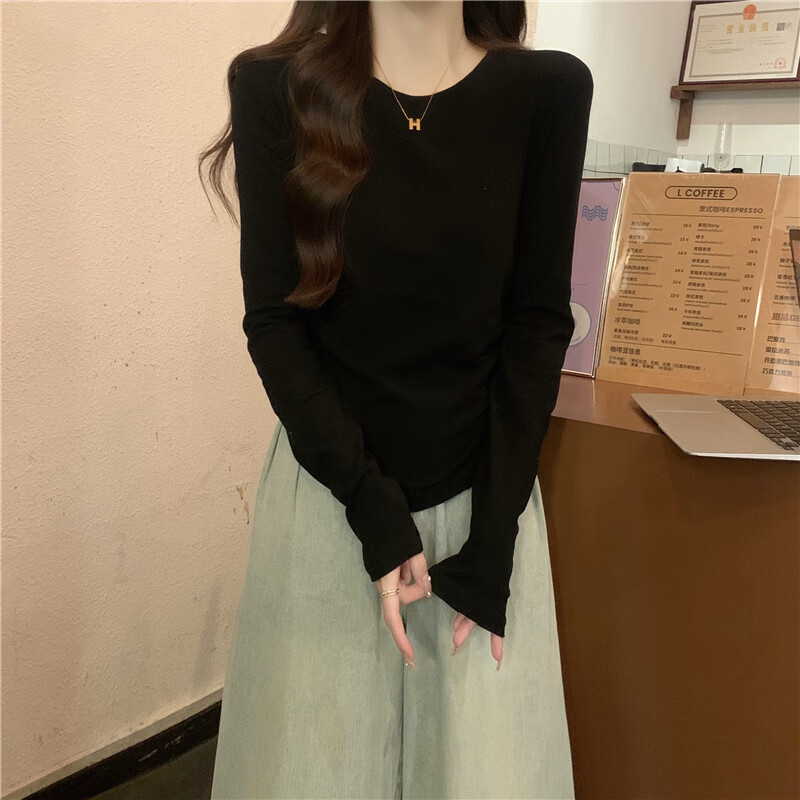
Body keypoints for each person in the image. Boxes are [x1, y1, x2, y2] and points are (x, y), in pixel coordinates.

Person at [198, 1, 593, 797]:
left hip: (484, 506)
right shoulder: (276, 86)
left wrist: (494, 540)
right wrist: (371, 507)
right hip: (331, 497)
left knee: (481, 772)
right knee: (317, 765)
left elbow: (537, 324)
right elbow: (276, 323)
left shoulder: (547, 91)